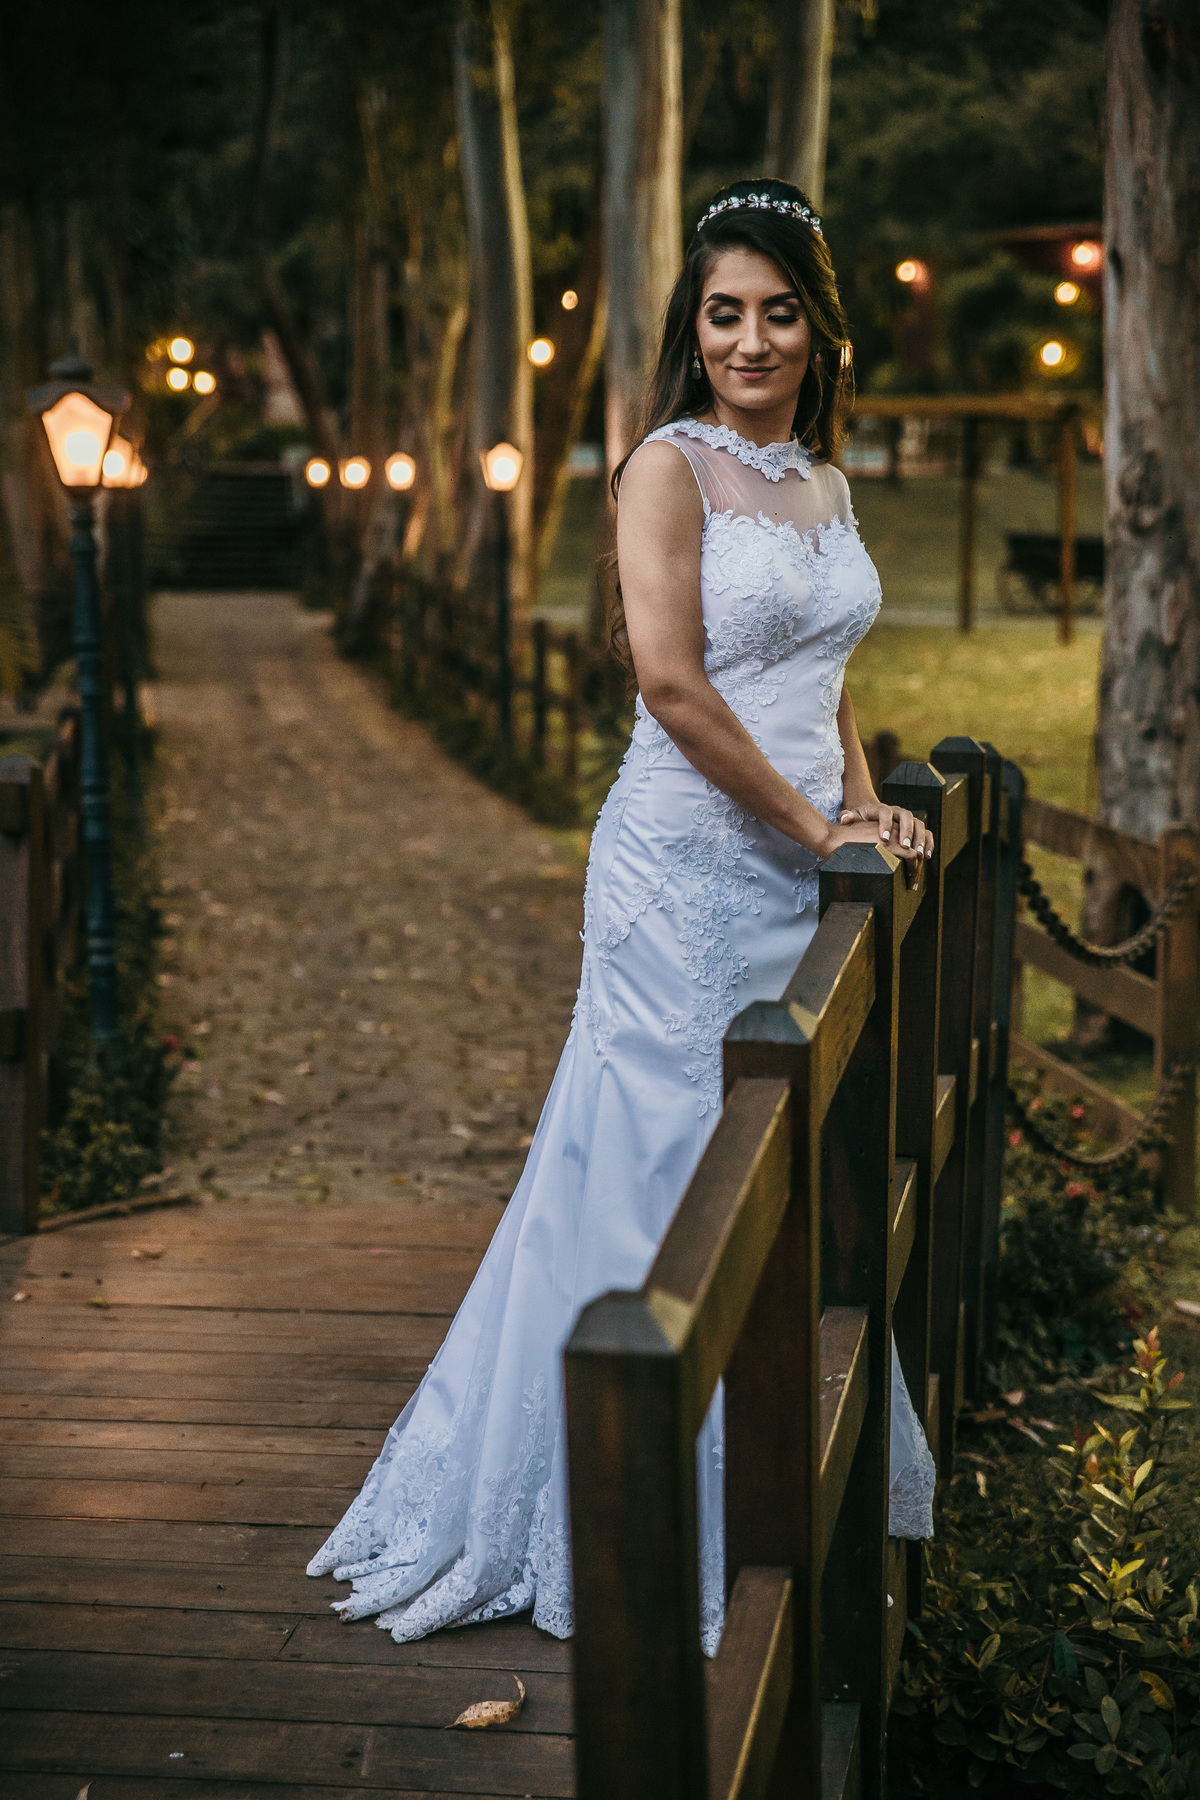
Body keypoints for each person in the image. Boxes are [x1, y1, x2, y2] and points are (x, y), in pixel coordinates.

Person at [307, 177, 936, 1652]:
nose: (752, 340)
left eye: (780, 312)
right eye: (726, 314)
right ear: (692, 329)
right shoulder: (665, 467)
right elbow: (669, 682)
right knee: (662, 1160)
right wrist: (820, 830)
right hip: (683, 868)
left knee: (769, 1155)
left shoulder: (825, 480)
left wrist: (866, 795)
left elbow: (826, 673)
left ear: (818, 327)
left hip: (794, 852)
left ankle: (773, 1485)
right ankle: (634, 1507)